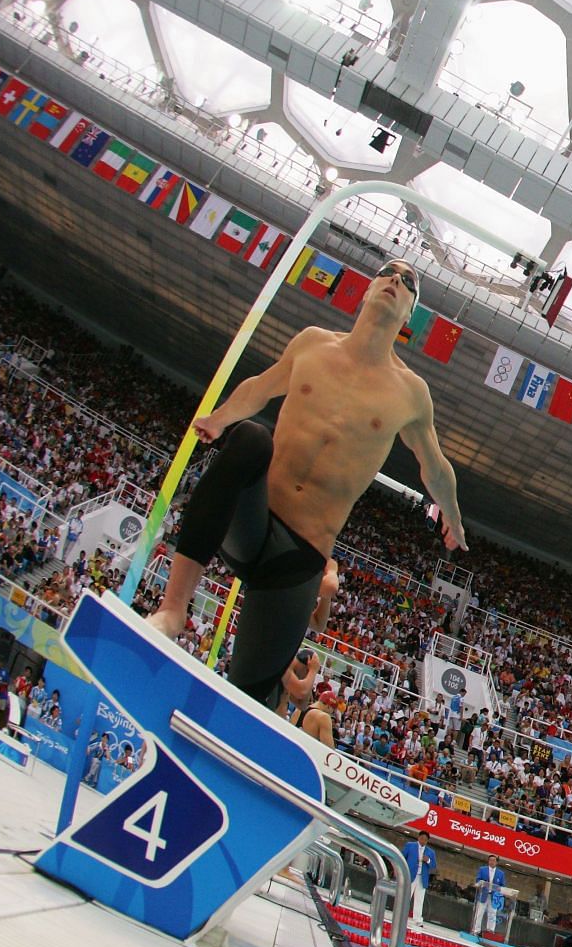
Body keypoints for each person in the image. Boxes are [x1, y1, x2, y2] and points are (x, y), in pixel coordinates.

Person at [145, 261, 467, 708]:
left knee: (250, 700)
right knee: (252, 438)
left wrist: (452, 515)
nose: (396, 280)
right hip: (252, 522)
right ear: (366, 289)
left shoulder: (411, 394)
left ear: (410, 314)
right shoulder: (313, 343)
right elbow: (261, 387)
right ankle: (173, 609)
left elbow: (434, 465)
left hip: (298, 561)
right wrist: (219, 420)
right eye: (387, 273)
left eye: (407, 282)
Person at [280, 649, 334, 747]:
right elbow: (301, 692)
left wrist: (310, 675)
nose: (307, 677)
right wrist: (313, 671)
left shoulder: (299, 710)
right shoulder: (285, 668)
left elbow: (302, 704)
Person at [402, 833, 436, 926]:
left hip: (422, 878)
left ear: (427, 841)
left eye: (425, 840)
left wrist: (428, 860)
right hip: (410, 875)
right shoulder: (410, 845)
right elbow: (402, 857)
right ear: (418, 838)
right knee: (406, 896)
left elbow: (433, 866)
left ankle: (418, 920)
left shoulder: (431, 852)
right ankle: (401, 915)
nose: (423, 841)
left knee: (419, 899)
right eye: (421, 838)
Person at [471, 854, 505, 936]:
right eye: (490, 860)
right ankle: (476, 930)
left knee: (492, 914)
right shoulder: (482, 869)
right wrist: (482, 883)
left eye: (494, 860)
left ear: (496, 862)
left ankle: (490, 931)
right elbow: (478, 879)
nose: (492, 862)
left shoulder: (501, 873)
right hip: (483, 894)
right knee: (479, 913)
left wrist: (498, 889)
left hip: (494, 897)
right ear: (488, 861)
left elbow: (503, 885)